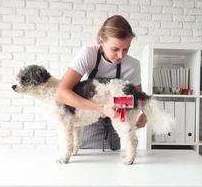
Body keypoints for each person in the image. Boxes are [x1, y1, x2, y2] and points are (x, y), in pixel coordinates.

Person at [55, 15, 147, 150]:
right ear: (101, 41)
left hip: (115, 124)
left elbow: (137, 99)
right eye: (115, 49)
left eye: (126, 49)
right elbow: (61, 94)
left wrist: (144, 114)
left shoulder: (133, 65)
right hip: (87, 119)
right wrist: (102, 108)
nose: (121, 55)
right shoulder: (88, 55)